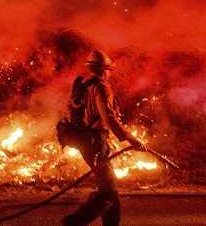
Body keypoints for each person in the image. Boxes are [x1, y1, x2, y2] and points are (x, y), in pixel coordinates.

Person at [58, 49, 146, 226]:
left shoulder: (85, 86)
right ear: (106, 69)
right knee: (108, 191)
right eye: (109, 70)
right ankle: (74, 222)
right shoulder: (101, 87)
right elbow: (109, 117)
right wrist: (130, 138)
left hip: (87, 141)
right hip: (95, 143)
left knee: (109, 189)